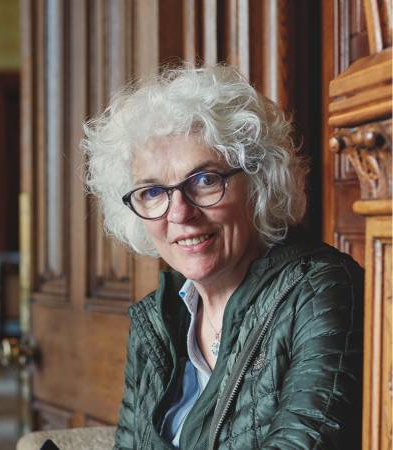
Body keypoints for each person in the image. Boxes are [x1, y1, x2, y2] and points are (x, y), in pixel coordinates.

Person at [82, 65, 363, 449]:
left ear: (259, 183)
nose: (179, 212)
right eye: (152, 192)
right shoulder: (156, 319)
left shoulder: (320, 290)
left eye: (205, 180)